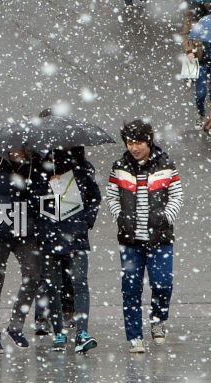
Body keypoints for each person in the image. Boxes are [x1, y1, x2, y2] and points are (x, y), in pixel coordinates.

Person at [106, 119, 183, 353]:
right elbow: (112, 196)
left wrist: (165, 218)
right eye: (130, 142)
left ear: (149, 141)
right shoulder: (119, 166)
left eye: (139, 142)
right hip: (130, 240)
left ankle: (158, 320)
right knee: (130, 288)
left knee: (163, 282)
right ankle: (134, 336)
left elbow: (177, 196)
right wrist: (120, 216)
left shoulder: (166, 165)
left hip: (160, 238)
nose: (134, 147)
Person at [0, 147, 48, 352]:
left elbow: (41, 196)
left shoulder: (35, 164)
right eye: (14, 149)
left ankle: (16, 326)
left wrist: (33, 182)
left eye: (23, 149)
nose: (18, 152)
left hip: (26, 230)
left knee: (33, 276)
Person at [34, 147, 101, 354]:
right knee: (54, 286)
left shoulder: (82, 170)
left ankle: (82, 332)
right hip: (50, 236)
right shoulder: (40, 171)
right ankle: (59, 333)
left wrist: (84, 222)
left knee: (79, 283)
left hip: (75, 237)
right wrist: (47, 187)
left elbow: (94, 197)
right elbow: (32, 201)